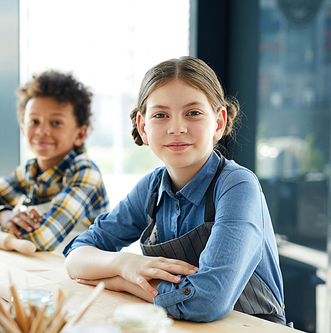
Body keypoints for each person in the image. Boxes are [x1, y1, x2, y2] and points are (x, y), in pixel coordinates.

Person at [63, 56, 287, 325]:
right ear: (143, 127)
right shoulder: (151, 188)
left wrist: (123, 283)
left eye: (193, 113)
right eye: (161, 115)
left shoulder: (238, 186)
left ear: (218, 122)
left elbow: (207, 301)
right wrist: (126, 265)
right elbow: (77, 255)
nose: (177, 128)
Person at [0, 70, 110, 252]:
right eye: (34, 122)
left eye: (56, 123)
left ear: (80, 134)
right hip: (43, 268)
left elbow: (41, 239)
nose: (42, 131)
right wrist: (3, 215)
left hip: (88, 274)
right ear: (23, 130)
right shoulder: (27, 172)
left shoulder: (86, 172)